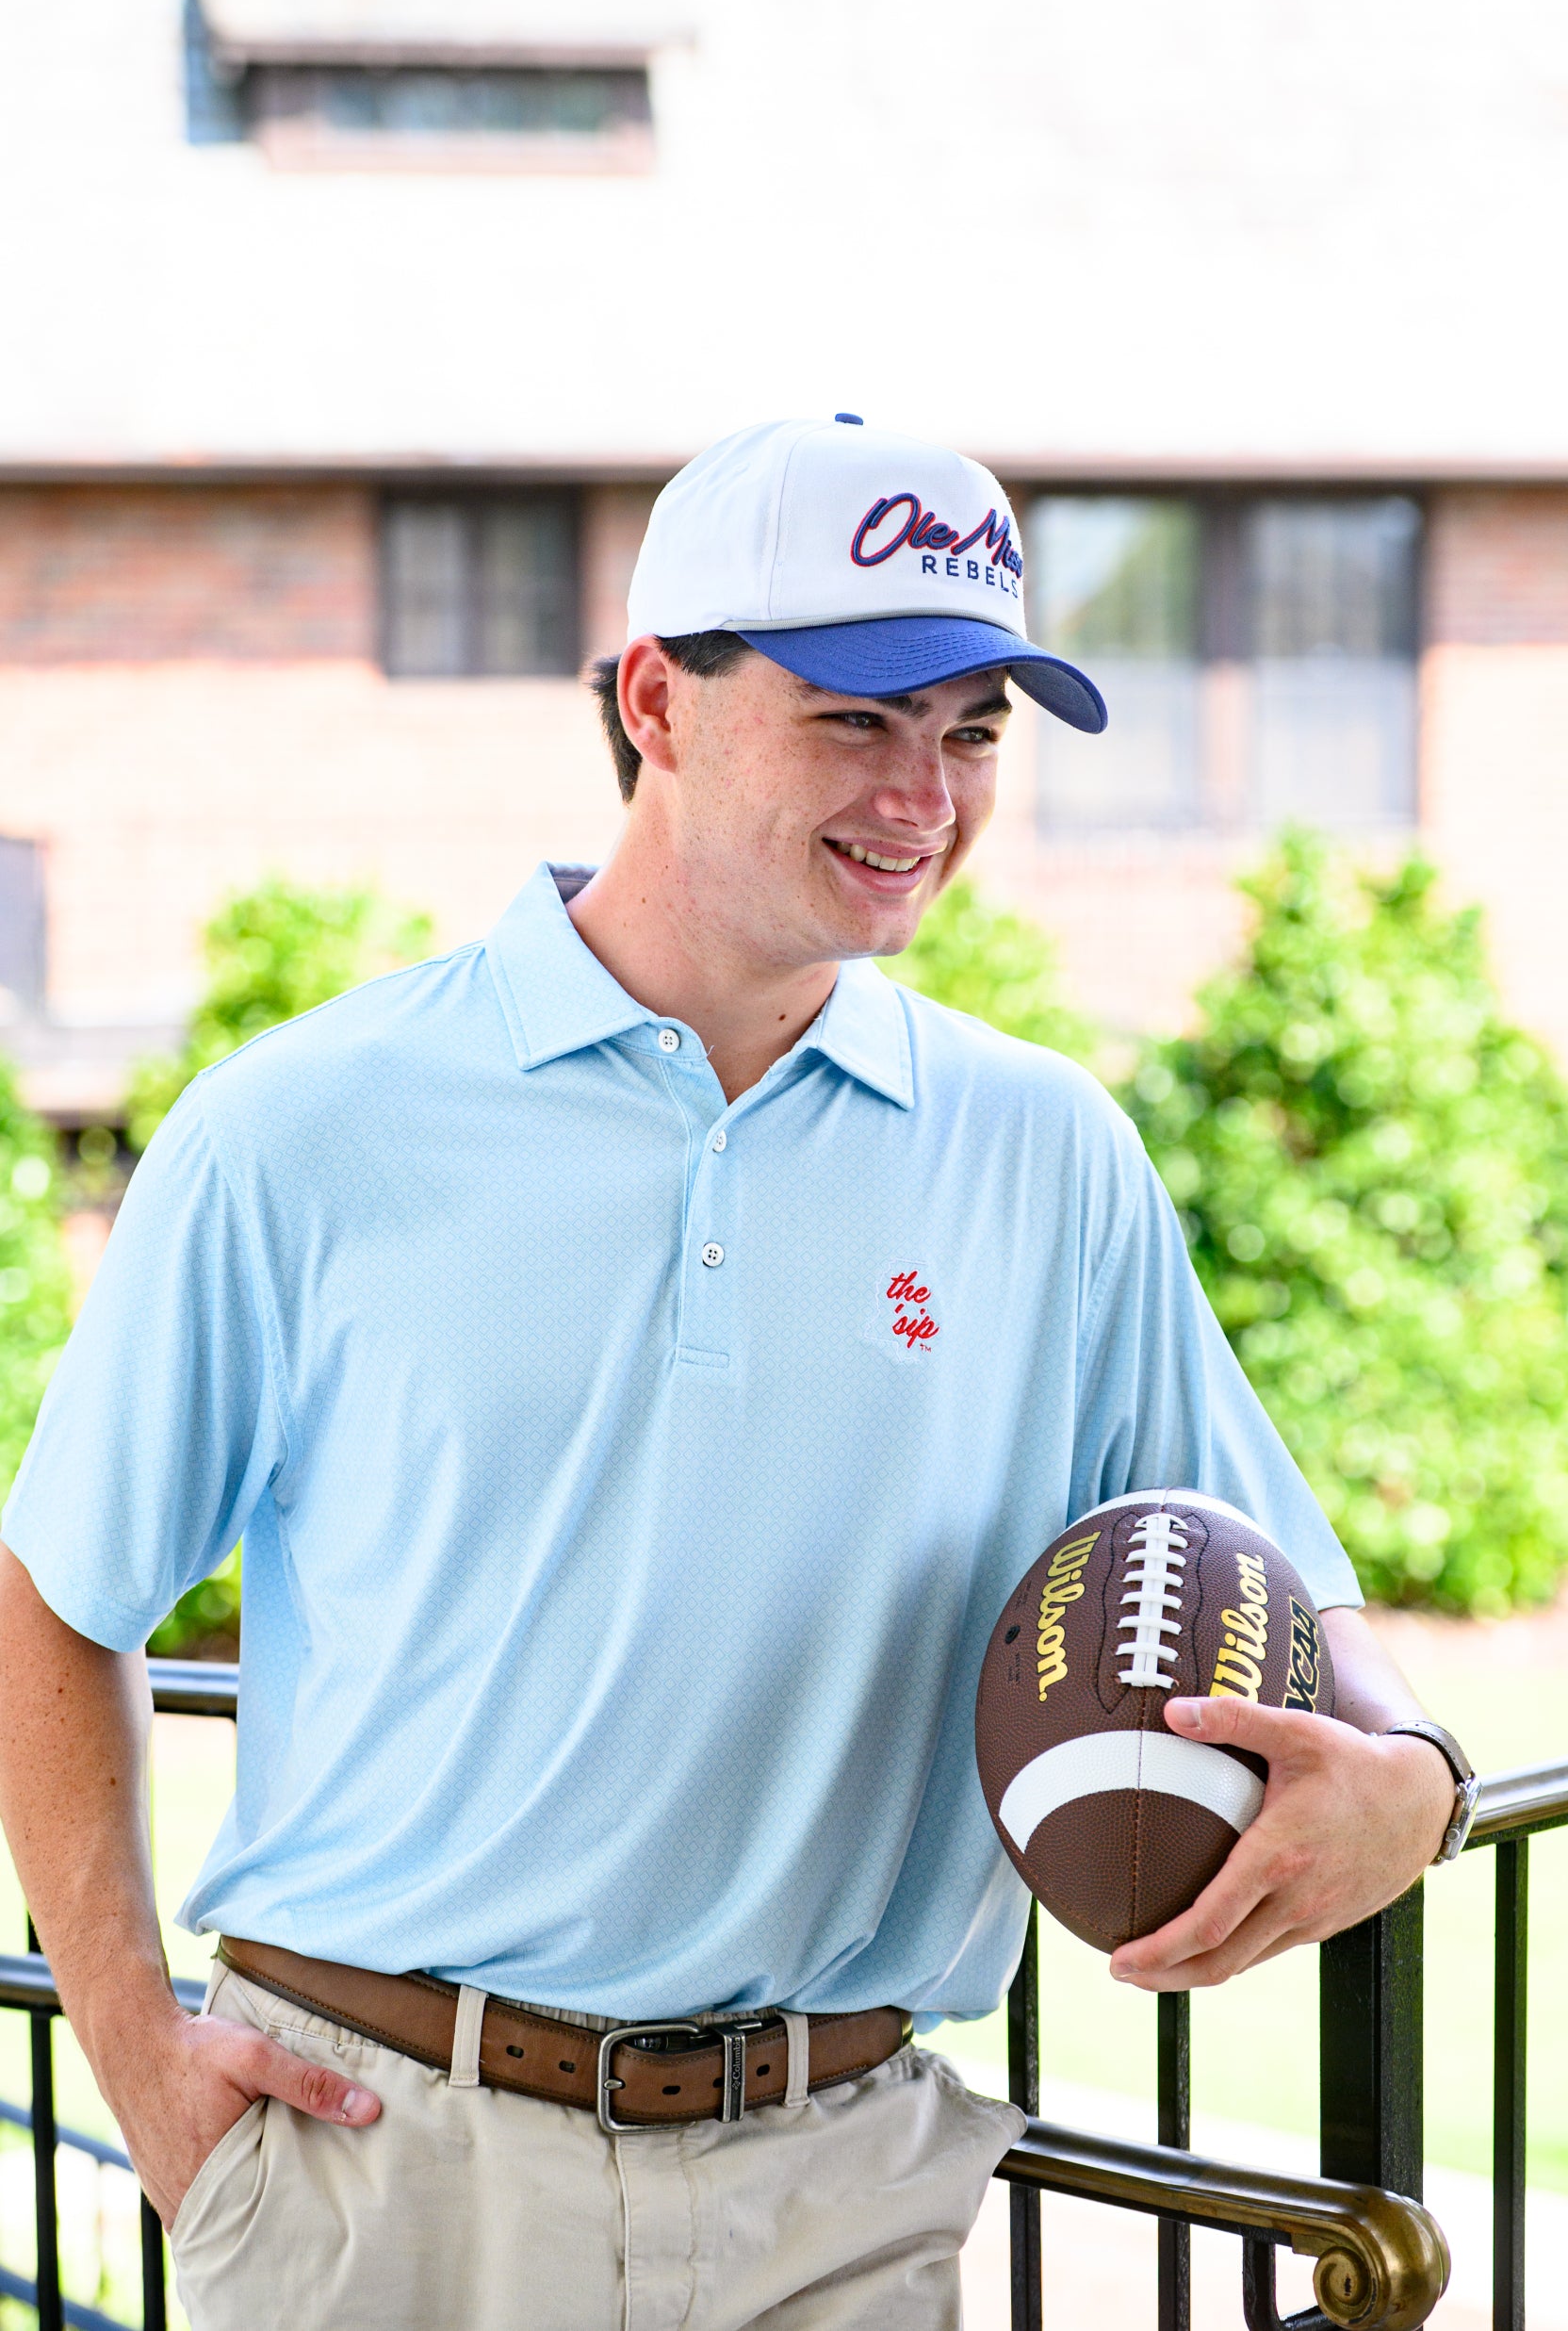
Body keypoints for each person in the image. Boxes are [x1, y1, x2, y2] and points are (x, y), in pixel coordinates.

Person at [0, 417, 1467, 2331]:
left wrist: (1413, 1779)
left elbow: (1297, 1587)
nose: (923, 794)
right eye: (857, 717)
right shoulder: (300, 1127)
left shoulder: (1042, 1153)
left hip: (836, 2191)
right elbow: (57, 1591)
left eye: (972, 731)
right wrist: (149, 2076)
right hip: (386, 2172)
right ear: (653, 701)